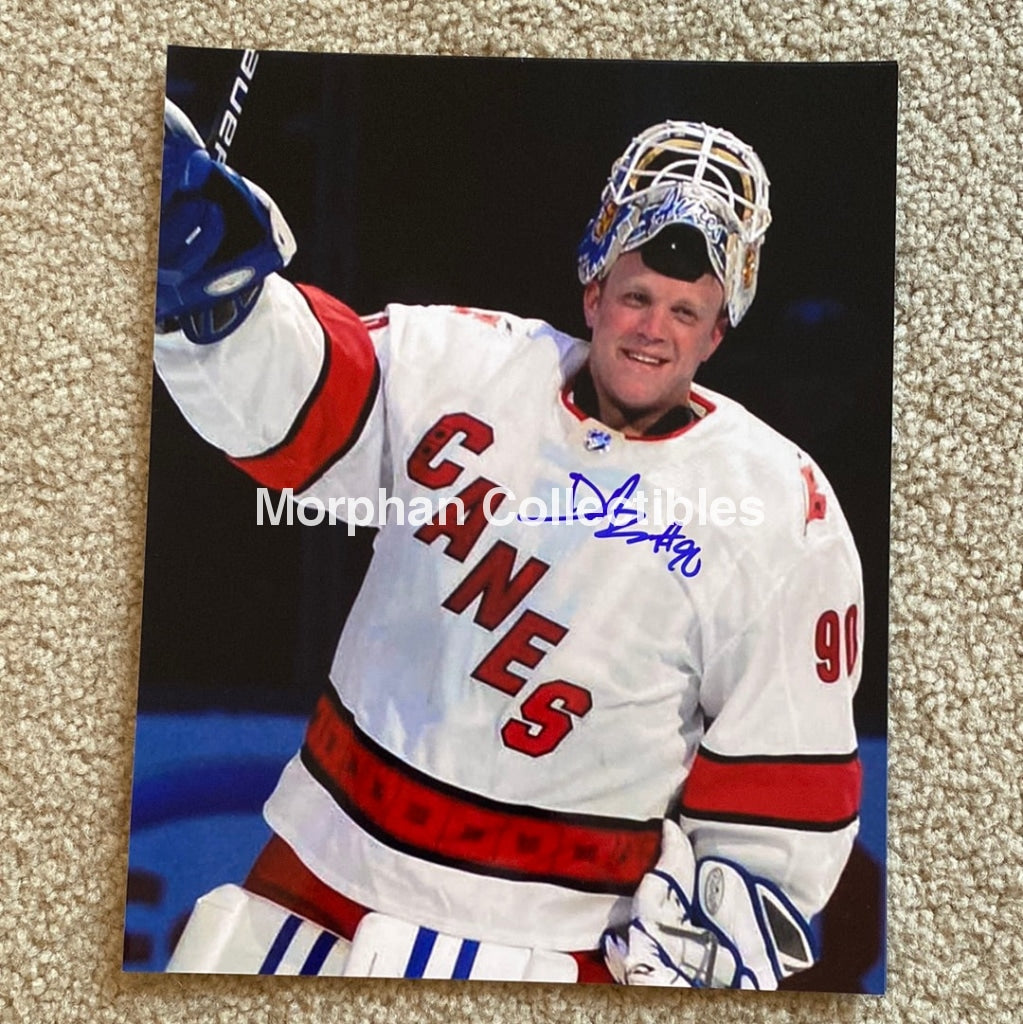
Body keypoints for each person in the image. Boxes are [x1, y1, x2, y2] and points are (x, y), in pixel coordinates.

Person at [153, 101, 864, 988]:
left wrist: (721, 937)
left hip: (557, 944)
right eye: (636, 297)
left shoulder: (780, 511)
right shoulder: (459, 363)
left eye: (686, 311)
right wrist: (214, 294)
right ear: (592, 290)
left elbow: (783, 789)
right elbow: (295, 403)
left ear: (719, 332)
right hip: (322, 882)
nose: (653, 329)